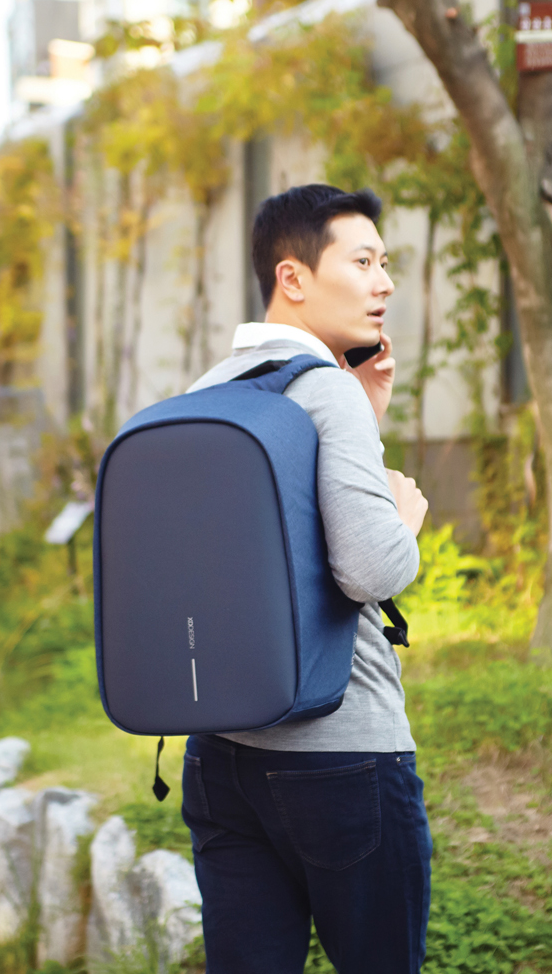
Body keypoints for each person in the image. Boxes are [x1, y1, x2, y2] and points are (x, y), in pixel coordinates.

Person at [180, 184, 432, 973]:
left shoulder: (206, 393)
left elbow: (271, 546)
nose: (384, 282)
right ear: (292, 277)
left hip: (220, 756)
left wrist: (366, 416)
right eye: (362, 262)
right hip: (342, 754)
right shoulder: (323, 388)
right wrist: (404, 521)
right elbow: (370, 566)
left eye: (384, 263)